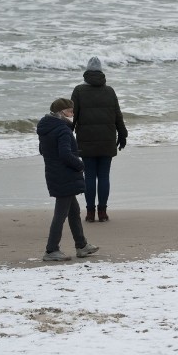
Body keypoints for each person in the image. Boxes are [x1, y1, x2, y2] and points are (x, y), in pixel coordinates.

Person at [36, 98, 99, 262]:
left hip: (54, 173)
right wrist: (80, 165)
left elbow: (43, 150)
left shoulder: (46, 129)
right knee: (60, 215)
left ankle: (82, 245)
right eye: (70, 111)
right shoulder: (63, 130)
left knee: (74, 212)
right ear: (61, 112)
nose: (72, 114)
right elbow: (64, 154)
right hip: (65, 175)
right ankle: (51, 250)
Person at [71, 57, 128, 223]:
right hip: (107, 140)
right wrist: (122, 134)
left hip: (86, 141)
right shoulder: (109, 91)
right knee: (104, 176)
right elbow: (118, 115)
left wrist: (67, 136)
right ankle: (102, 213)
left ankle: (90, 213)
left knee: (89, 176)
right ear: (101, 73)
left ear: (86, 73)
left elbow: (71, 117)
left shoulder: (79, 91)